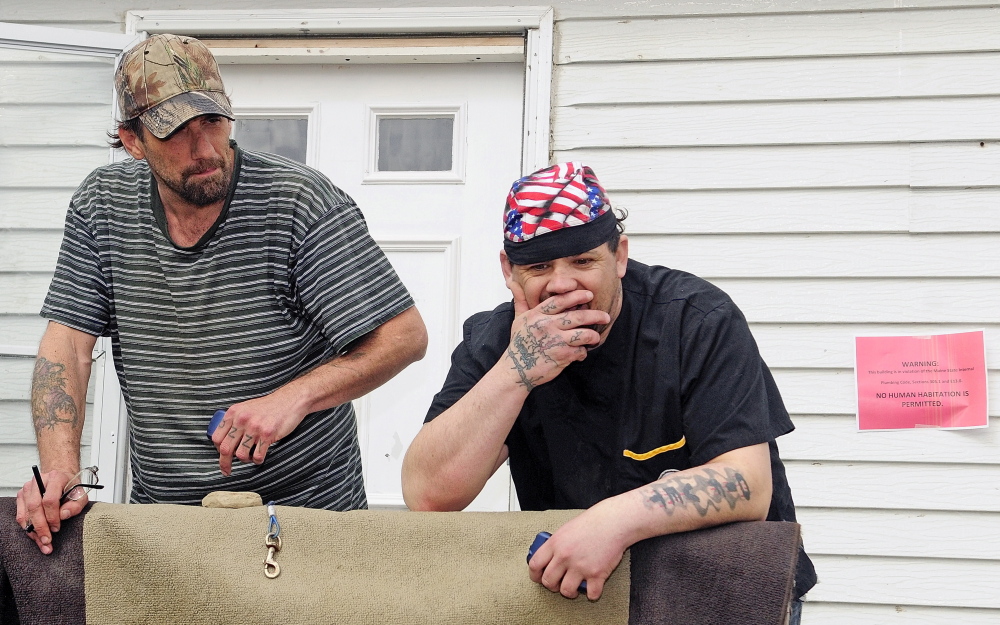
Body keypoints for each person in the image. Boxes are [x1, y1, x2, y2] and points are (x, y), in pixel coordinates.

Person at [16, 34, 427, 555]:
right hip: (169, 526)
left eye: (213, 121)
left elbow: (404, 336)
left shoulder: (299, 202)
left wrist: (291, 398)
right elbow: (67, 346)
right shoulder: (102, 207)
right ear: (133, 141)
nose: (206, 149)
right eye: (177, 132)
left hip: (307, 520)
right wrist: (57, 469)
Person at [401, 163, 816, 614]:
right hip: (584, 598)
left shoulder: (695, 317)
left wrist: (612, 521)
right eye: (539, 266)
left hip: (726, 588)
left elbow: (748, 483)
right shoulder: (497, 340)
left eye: (583, 261)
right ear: (509, 270)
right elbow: (428, 494)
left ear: (619, 256)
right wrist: (515, 372)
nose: (562, 284)